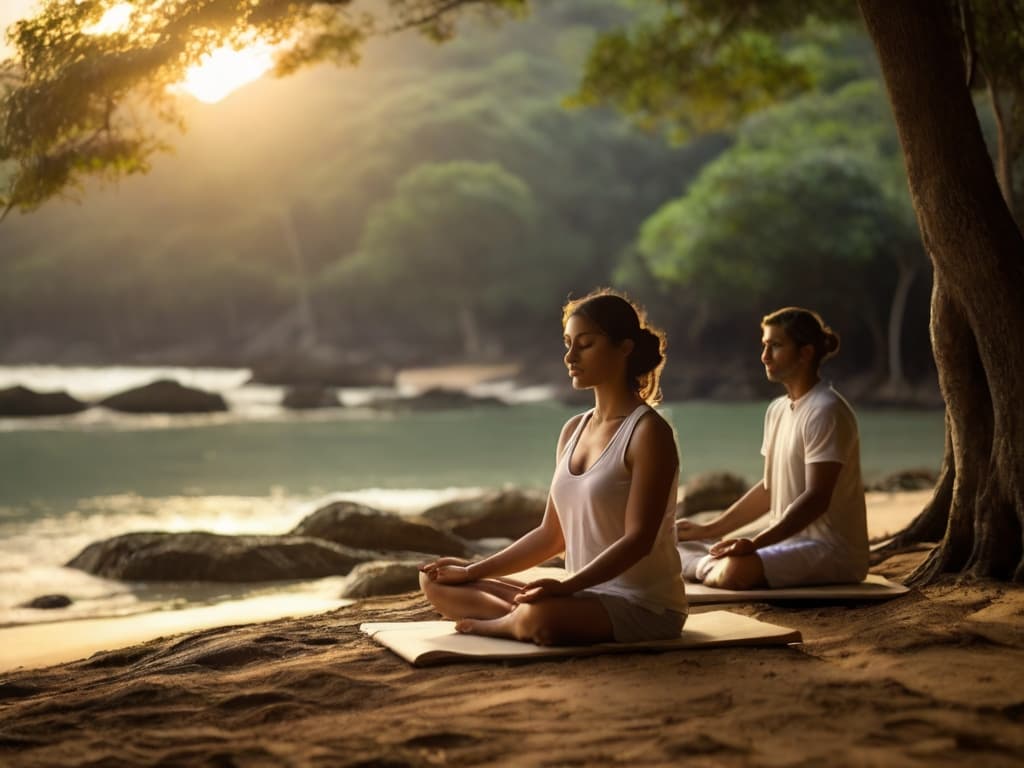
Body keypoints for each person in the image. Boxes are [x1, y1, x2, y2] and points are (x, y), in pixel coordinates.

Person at [419, 289, 687, 646]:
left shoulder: (648, 432)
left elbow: (638, 541)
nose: (570, 356)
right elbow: (551, 536)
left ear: (624, 349)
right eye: (568, 343)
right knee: (435, 580)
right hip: (581, 596)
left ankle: (506, 623)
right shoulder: (573, 430)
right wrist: (471, 570)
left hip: (642, 607)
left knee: (544, 617)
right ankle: (519, 617)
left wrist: (566, 585)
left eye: (585, 344)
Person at [677, 307, 868, 590]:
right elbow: (769, 489)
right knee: (669, 544)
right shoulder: (777, 410)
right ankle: (707, 562)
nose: (764, 356)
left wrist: (755, 543)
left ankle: (704, 565)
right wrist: (708, 529)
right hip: (783, 542)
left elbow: (816, 498)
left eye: (776, 346)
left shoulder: (826, 410)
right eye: (764, 345)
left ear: (805, 353)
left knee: (735, 571)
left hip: (829, 550)